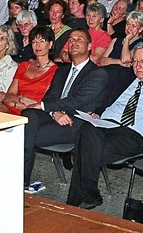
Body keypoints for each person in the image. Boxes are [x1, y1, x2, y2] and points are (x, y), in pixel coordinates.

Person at [64, 45, 143, 210]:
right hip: (104, 126)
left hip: (133, 134)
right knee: (87, 130)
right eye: (135, 61)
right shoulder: (123, 79)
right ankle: (87, 196)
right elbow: (103, 100)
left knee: (85, 147)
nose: (138, 66)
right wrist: (96, 112)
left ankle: (77, 200)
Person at [20, 30, 109, 192]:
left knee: (27, 134)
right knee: (28, 115)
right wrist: (54, 112)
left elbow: (78, 100)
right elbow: (50, 97)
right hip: (57, 116)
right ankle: (21, 180)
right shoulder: (61, 70)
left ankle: (18, 179)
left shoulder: (97, 73)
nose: (74, 42)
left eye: (79, 39)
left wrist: (47, 107)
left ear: (89, 46)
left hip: (76, 122)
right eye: (71, 40)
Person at [0, 25, 58, 116]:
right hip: (12, 107)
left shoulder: (55, 71)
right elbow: (9, 95)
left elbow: (45, 102)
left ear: (50, 44)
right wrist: (21, 100)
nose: (37, 45)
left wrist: (19, 104)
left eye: (42, 41)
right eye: (34, 42)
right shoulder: (24, 66)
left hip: (34, 112)